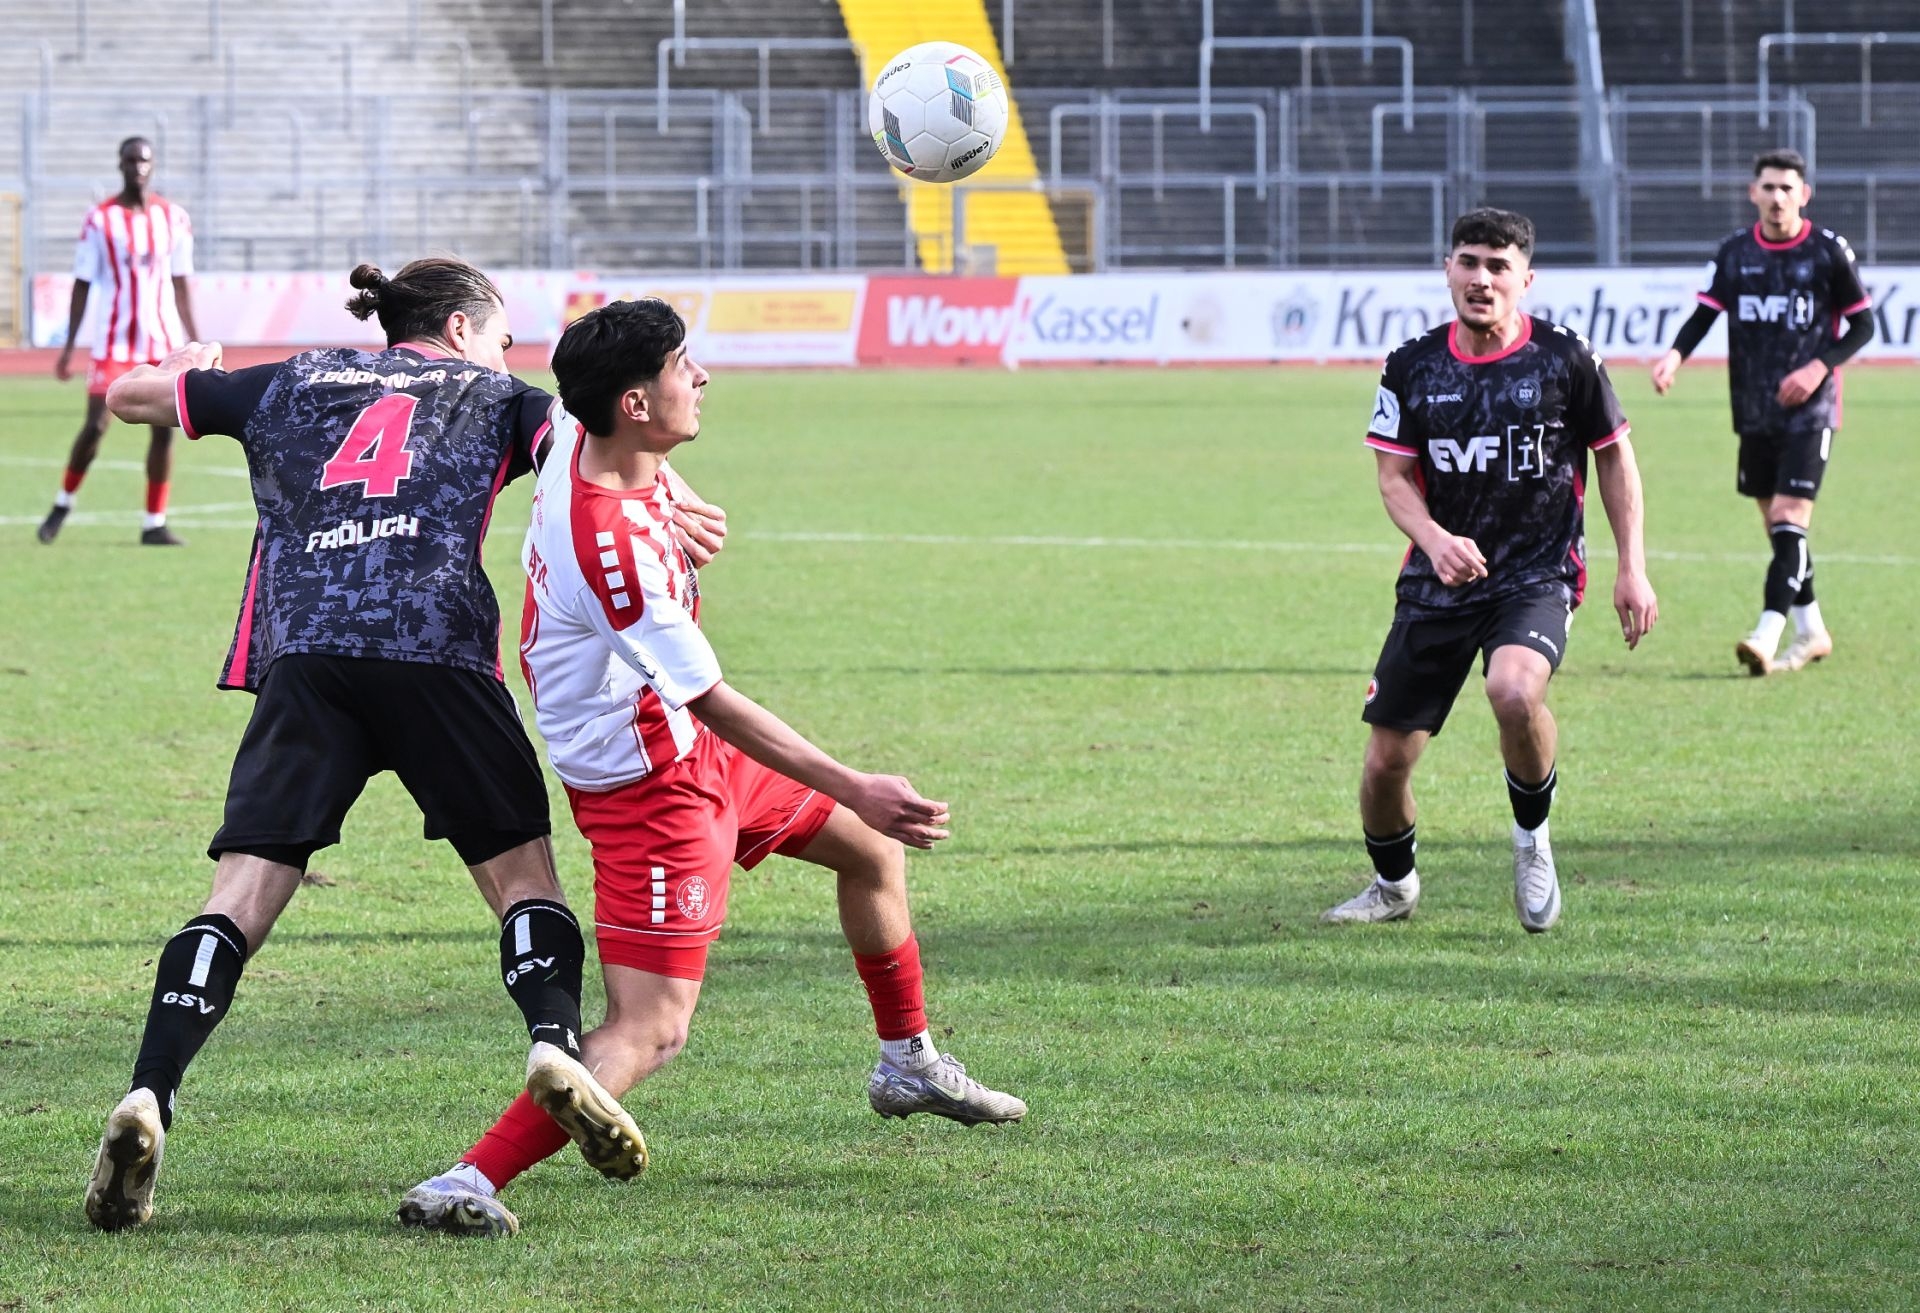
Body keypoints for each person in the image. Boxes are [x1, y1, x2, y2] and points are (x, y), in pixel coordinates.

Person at [396, 298, 1026, 1239]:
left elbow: (579, 422)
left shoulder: (578, 431)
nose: (702, 377)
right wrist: (857, 782)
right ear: (635, 403)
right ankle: (466, 1178)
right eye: (683, 367)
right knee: (652, 1027)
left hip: (687, 749)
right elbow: (713, 698)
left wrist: (674, 486)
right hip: (651, 788)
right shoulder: (615, 552)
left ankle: (907, 1061)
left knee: (869, 852)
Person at [81, 258, 677, 1232]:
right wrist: (673, 495)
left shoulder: (293, 377)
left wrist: (186, 365)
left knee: (239, 896)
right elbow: (598, 446)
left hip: (308, 656)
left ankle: (150, 1089)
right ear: (459, 330)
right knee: (524, 881)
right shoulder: (499, 397)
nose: (507, 355)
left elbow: (128, 394)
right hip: (438, 647)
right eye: (500, 337)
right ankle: (554, 1042)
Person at [1323, 208, 1658, 933]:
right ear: (1448, 269)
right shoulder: (1412, 365)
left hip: (1537, 573)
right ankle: (1393, 886)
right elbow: (1393, 479)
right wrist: (1435, 539)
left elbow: (1613, 455)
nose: (1482, 279)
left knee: (1512, 691)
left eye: (1499, 266)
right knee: (1384, 765)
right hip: (1438, 584)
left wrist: (1632, 566)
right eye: (1469, 262)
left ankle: (1532, 837)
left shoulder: (1565, 358)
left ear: (1525, 280)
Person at [1651, 149, 1875, 676]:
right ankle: (1812, 630)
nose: (1777, 197)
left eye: (1787, 188)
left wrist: (1818, 367)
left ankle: (1767, 632)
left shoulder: (1827, 251)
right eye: (1769, 187)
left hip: (1811, 412)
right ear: (1753, 193)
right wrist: (1674, 356)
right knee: (1779, 529)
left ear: (1804, 195)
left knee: (1789, 520)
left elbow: (1864, 326)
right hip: (1753, 410)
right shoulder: (1735, 253)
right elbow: (1704, 315)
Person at [38, 137, 199, 547]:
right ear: (120, 165)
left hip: (163, 340)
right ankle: (63, 502)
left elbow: (181, 282)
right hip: (114, 342)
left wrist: (196, 338)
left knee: (164, 430)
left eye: (143, 160)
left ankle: (153, 522)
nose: (137, 167)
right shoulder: (100, 220)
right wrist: (68, 347)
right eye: (130, 160)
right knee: (95, 425)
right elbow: (81, 284)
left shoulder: (174, 218)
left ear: (152, 165)